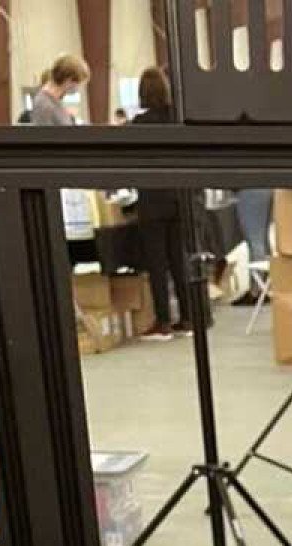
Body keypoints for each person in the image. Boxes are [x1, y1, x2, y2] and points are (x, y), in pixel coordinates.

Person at [131, 66, 191, 341]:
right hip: (178, 197)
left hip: (152, 199)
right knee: (179, 259)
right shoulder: (177, 119)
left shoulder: (139, 125)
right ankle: (188, 318)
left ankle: (163, 321)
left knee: (157, 262)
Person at [28, 55, 95, 266]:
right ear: (68, 80)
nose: (76, 89)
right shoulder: (45, 105)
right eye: (77, 83)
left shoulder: (55, 103)